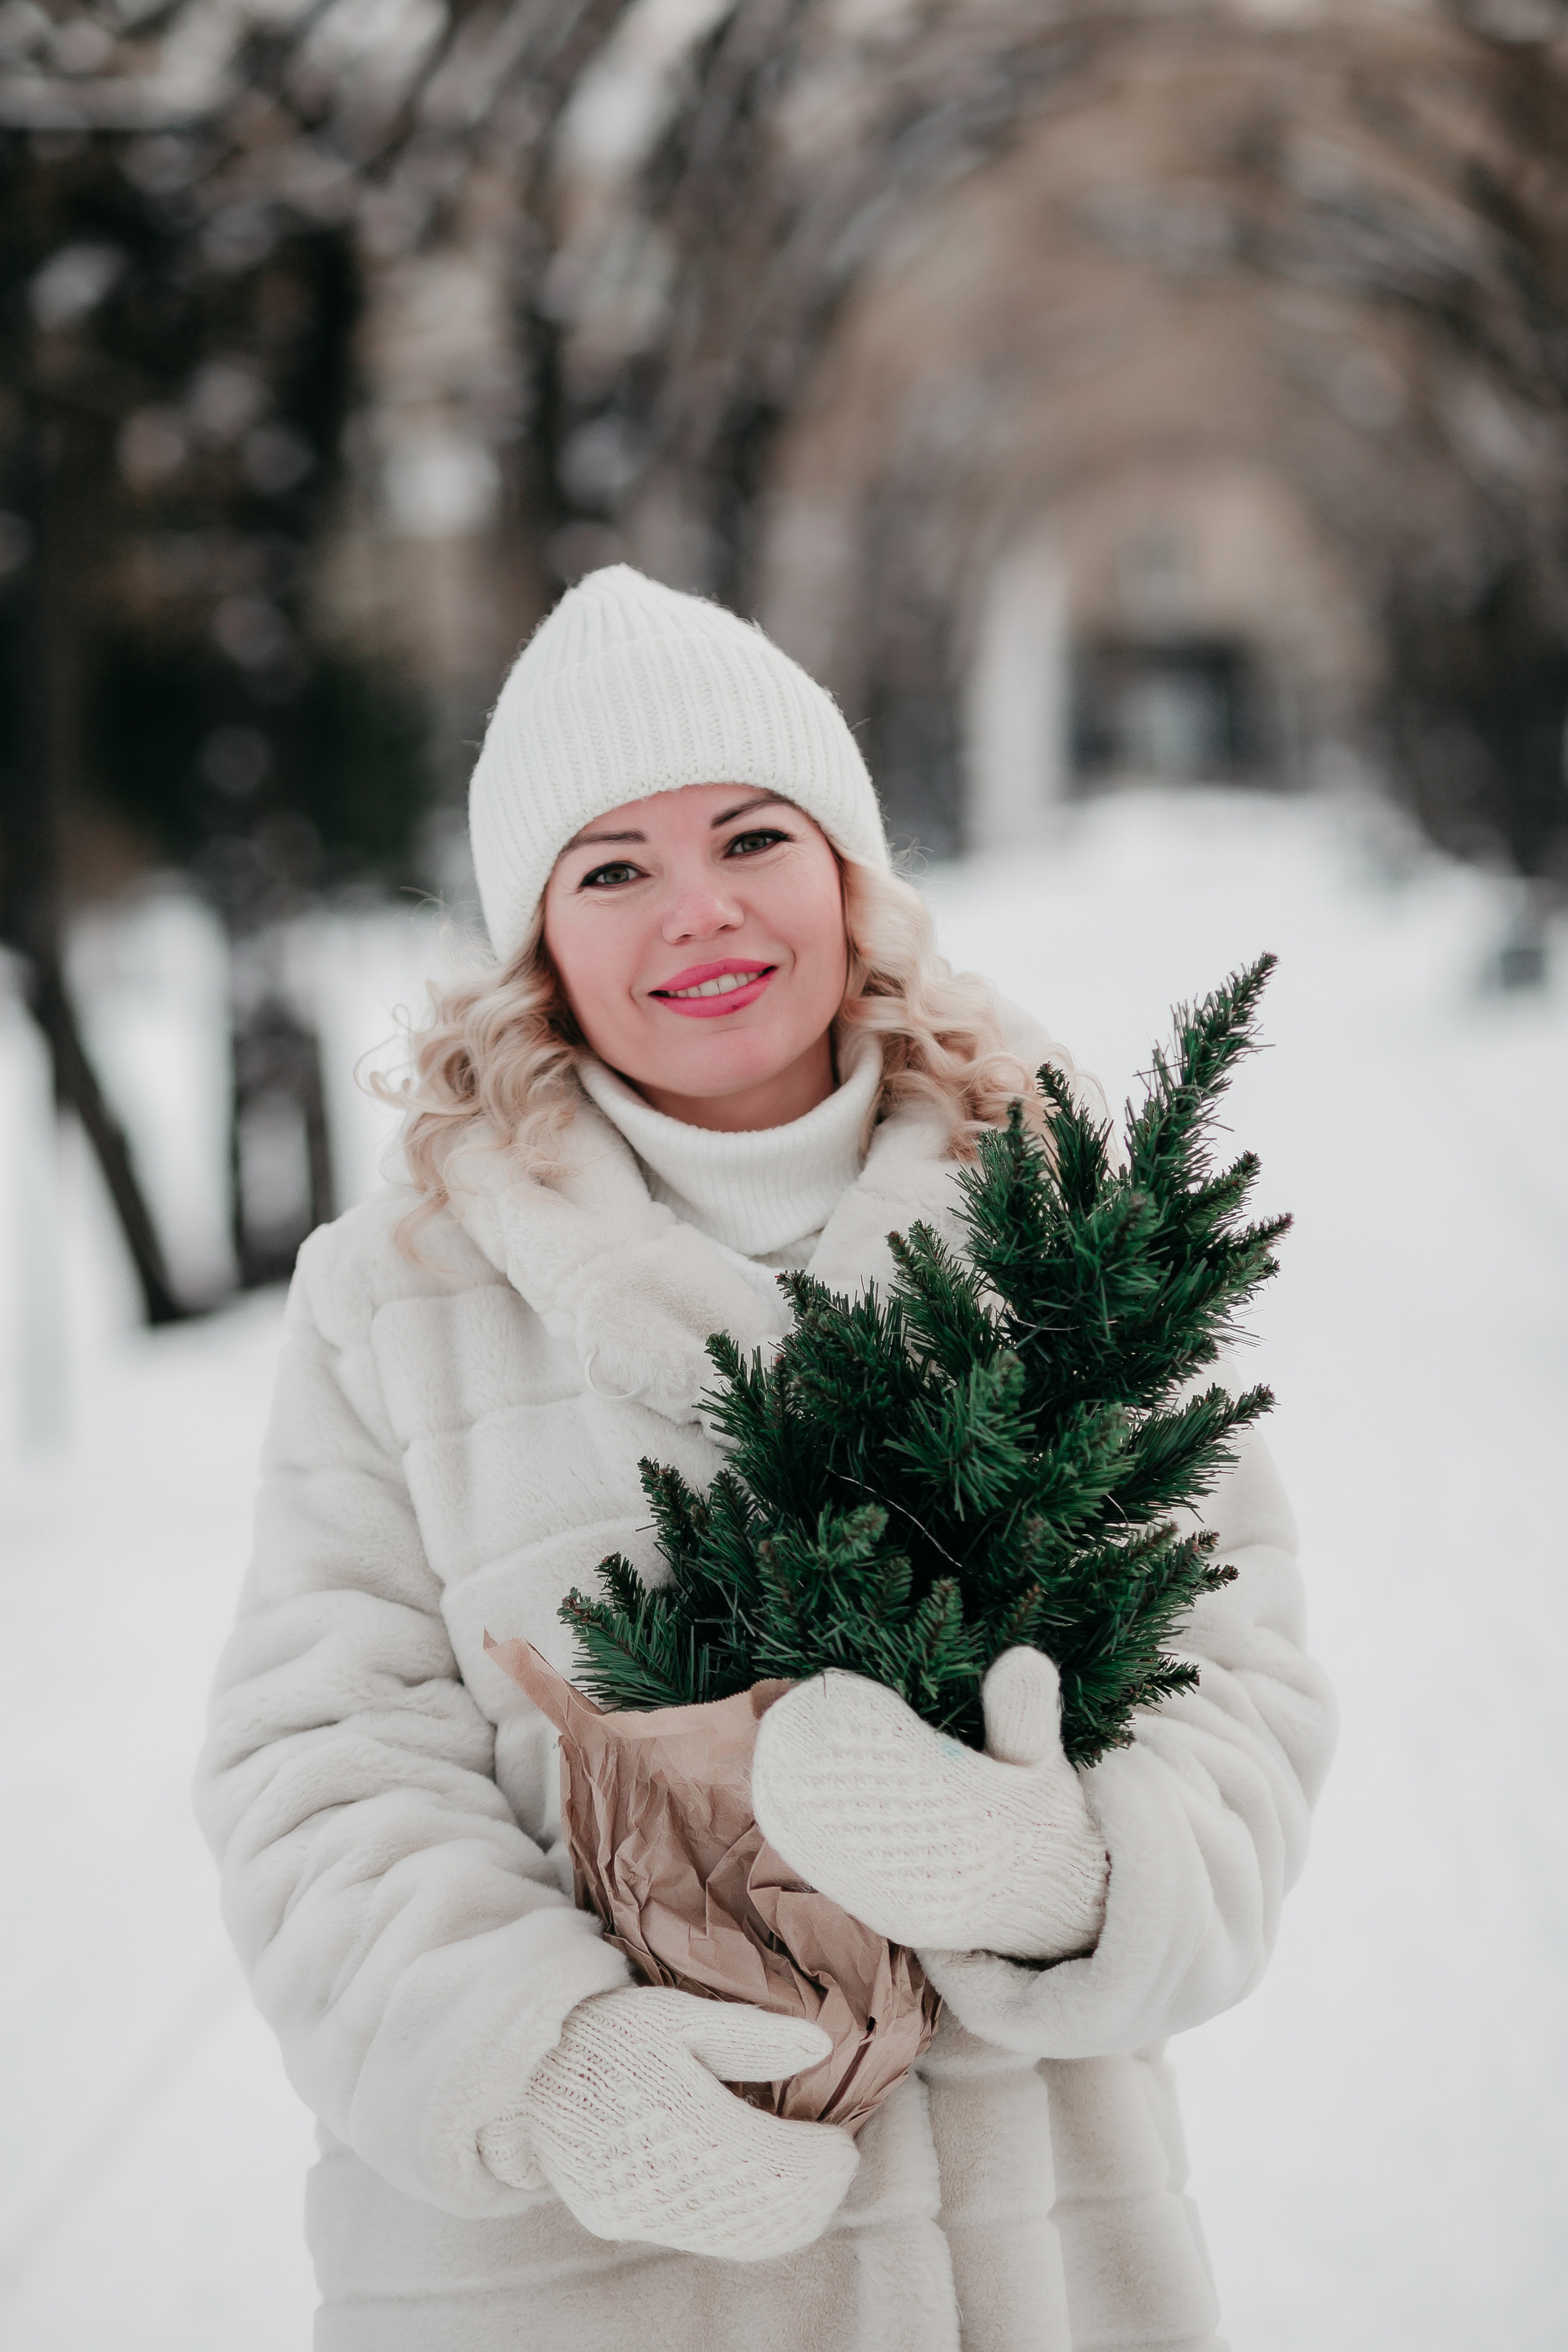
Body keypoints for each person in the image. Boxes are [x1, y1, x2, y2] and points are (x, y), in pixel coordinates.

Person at [197, 565, 1336, 2352]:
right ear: (537, 937)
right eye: (613, 869)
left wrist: (1069, 1875)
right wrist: (549, 2068)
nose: (700, 911)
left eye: (752, 837)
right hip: (583, 2292)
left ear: (847, 871)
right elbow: (324, 1764)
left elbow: (1237, 1674)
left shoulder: (1057, 1230)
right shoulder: (403, 1293)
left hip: (1030, 2270)